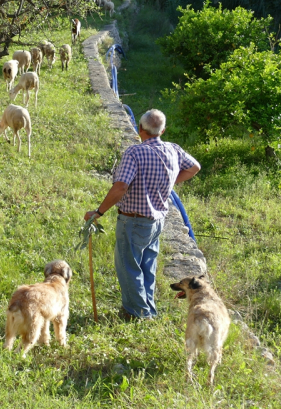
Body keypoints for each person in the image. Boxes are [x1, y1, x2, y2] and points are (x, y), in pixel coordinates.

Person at [84, 109, 200, 320]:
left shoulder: (134, 153)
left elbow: (120, 187)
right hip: (157, 221)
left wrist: (99, 212)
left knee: (129, 267)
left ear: (139, 129)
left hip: (133, 221)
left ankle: (136, 314)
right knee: (148, 267)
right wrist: (169, 181)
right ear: (163, 130)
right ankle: (148, 309)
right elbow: (195, 167)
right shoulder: (173, 150)